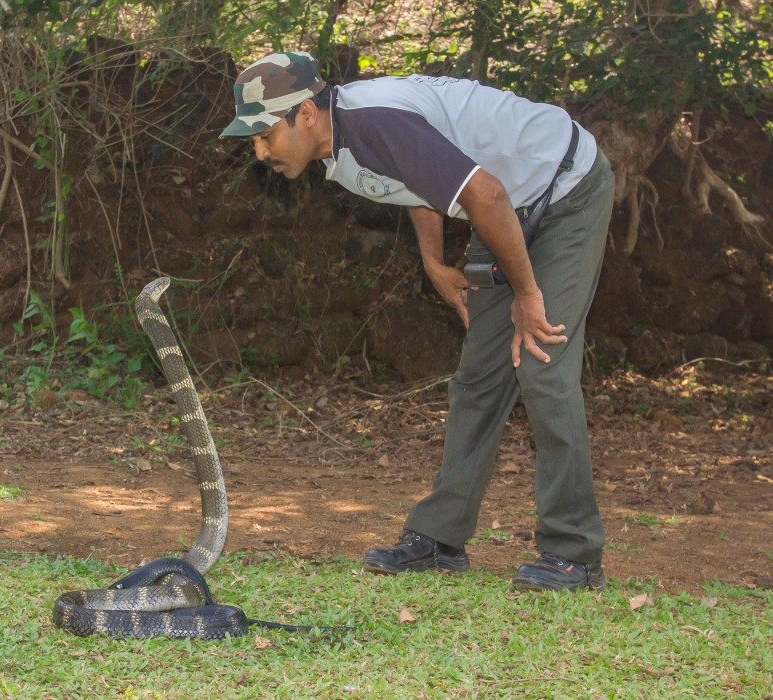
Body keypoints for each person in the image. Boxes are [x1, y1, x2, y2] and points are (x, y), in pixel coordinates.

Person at [219, 51, 615, 591]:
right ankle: (440, 537)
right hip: (502, 204)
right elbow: (423, 180)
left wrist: (527, 293)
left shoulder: (372, 122)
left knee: (542, 361)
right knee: (479, 376)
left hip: (564, 185)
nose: (259, 151)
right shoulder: (341, 144)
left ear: (306, 113)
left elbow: (485, 192)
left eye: (264, 134)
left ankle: (574, 552)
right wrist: (433, 261)